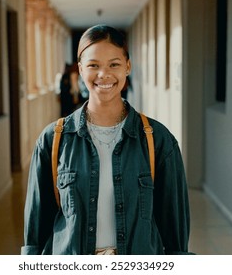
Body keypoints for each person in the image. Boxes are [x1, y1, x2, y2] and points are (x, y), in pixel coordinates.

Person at [22, 24, 191, 255]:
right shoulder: (53, 140)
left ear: (127, 67)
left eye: (114, 64)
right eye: (93, 65)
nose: (104, 75)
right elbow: (36, 233)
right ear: (80, 69)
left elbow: (175, 232)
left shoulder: (159, 140)